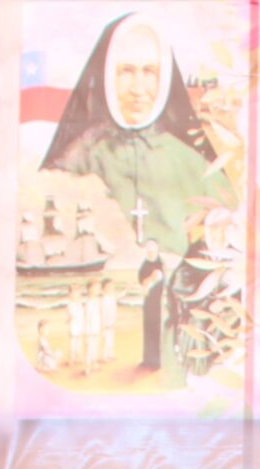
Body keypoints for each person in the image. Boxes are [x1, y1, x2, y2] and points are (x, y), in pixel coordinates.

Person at [41, 13, 233, 274]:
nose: (138, 88)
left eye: (149, 72)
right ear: (106, 74)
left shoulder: (197, 164)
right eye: (127, 71)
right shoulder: (77, 157)